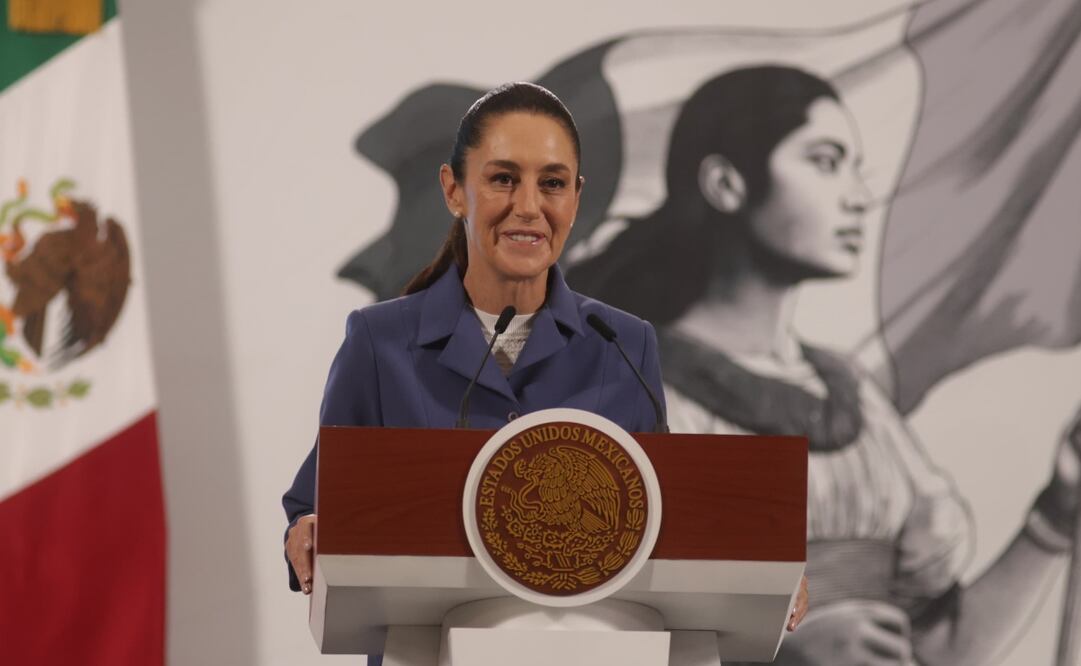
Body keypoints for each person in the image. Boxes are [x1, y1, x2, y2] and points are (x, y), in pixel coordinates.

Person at [568, 66, 1081, 665]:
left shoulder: (855, 397)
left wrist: (1057, 511)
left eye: (856, 168)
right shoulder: (629, 391)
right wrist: (777, 652)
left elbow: (939, 650)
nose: (859, 197)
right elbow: (579, 636)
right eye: (825, 161)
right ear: (727, 184)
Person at [282, 81, 812, 649]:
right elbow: (318, 505)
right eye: (503, 178)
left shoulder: (624, 345)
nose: (529, 206)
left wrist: (762, 567)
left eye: (553, 183)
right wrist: (306, 531)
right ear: (454, 190)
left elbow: (660, 517)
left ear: (576, 199)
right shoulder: (380, 342)